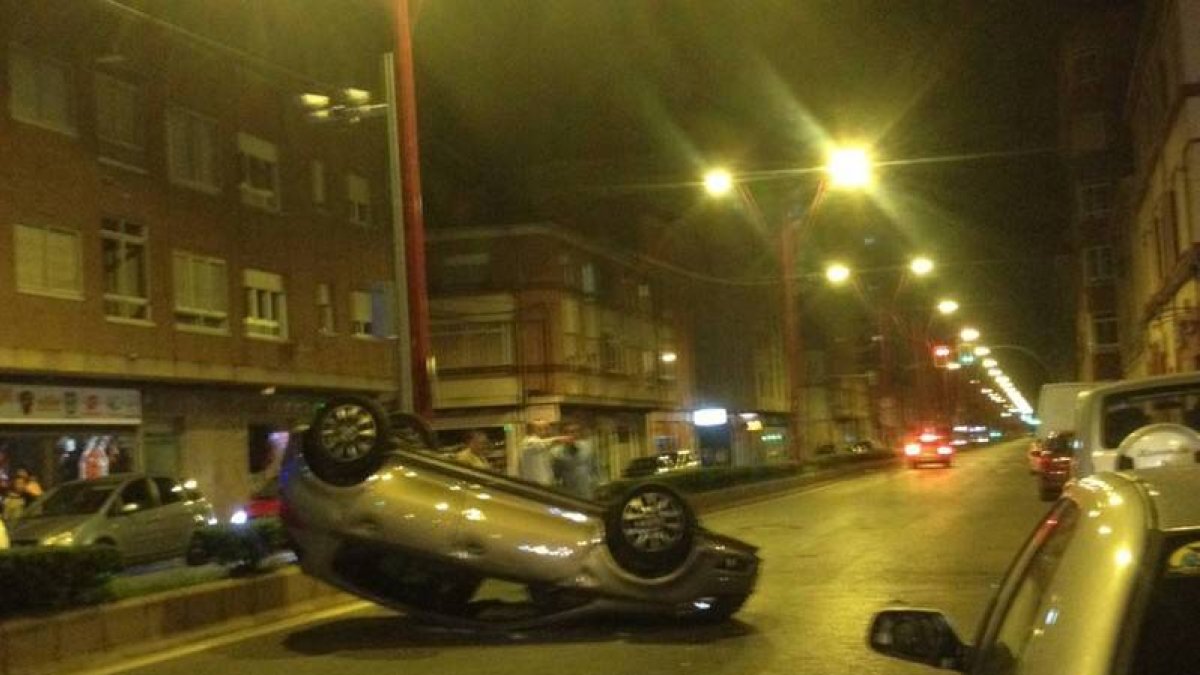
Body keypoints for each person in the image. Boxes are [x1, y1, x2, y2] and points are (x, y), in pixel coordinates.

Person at [554, 421, 602, 499]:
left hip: (588, 491)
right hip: (569, 493)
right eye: (567, 432)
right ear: (562, 435)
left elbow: (596, 467)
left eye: (573, 432)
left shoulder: (588, 447)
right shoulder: (557, 453)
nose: (570, 435)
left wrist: (597, 484)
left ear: (578, 433)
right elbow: (556, 475)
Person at [518, 420, 568, 486]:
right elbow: (538, 444)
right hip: (537, 484)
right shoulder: (529, 442)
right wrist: (558, 439)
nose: (547, 431)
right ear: (535, 430)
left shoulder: (540, 445)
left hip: (544, 484)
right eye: (544, 428)